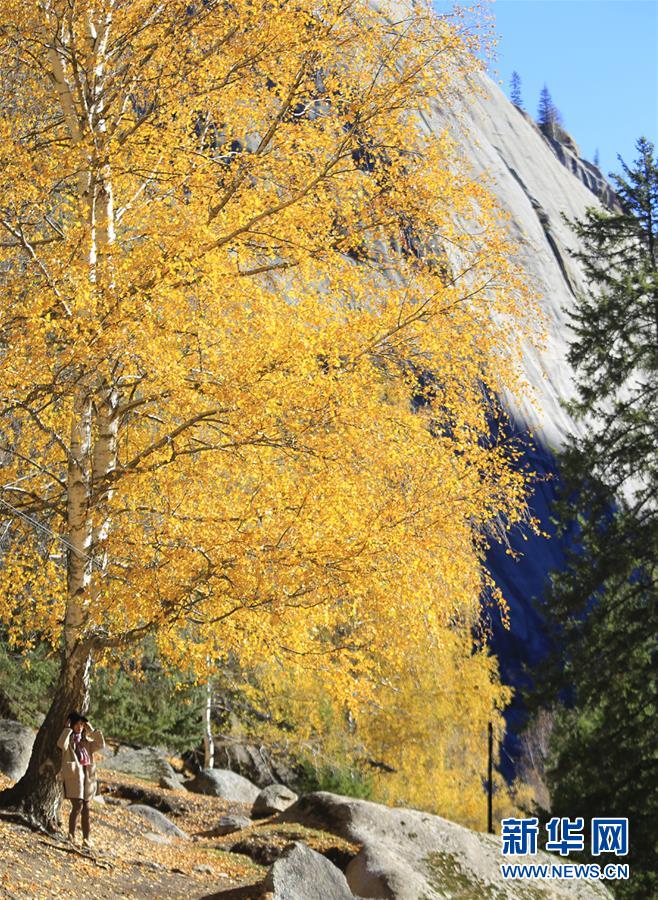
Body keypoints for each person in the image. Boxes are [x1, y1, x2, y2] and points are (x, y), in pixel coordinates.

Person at [56, 711, 106, 850]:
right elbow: (61, 745)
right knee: (78, 806)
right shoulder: (69, 740)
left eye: (82, 724)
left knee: (86, 810)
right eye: (77, 724)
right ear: (71, 724)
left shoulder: (87, 742)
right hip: (74, 779)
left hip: (87, 781)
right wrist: (67, 729)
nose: (80, 726)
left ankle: (86, 838)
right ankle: (71, 835)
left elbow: (101, 744)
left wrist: (92, 729)